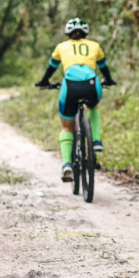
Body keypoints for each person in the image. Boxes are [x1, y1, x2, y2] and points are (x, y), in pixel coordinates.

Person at [36, 18, 116, 181]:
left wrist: (44, 82)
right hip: (91, 85)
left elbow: (51, 68)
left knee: (66, 126)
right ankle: (96, 140)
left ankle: (67, 165)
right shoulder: (95, 46)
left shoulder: (61, 47)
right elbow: (104, 68)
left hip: (70, 86)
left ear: (68, 34)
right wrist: (108, 80)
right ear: (85, 33)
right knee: (93, 106)